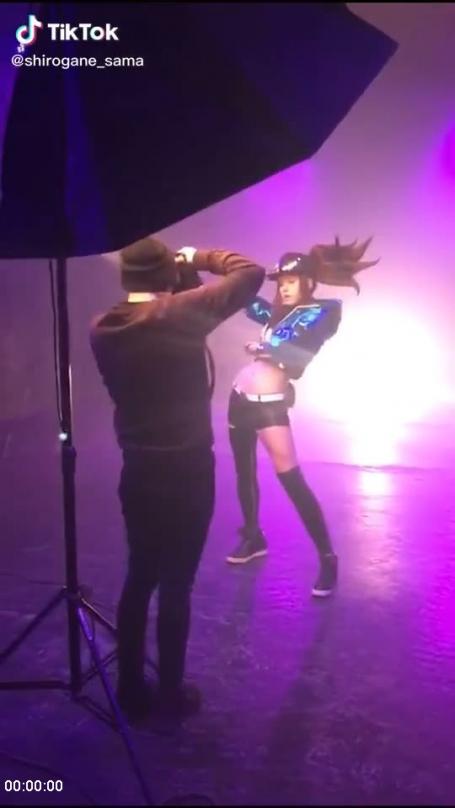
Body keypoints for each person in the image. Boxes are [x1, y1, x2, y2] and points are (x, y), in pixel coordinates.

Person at [90, 236, 265, 720]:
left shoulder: (102, 327)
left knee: (139, 576)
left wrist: (178, 275)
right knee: (177, 584)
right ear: (166, 273)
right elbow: (251, 272)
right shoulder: (183, 313)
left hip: (138, 468)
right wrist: (200, 258)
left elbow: (163, 317)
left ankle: (130, 690)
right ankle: (170, 694)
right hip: (187, 469)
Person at [226, 237, 378, 597]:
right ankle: (253, 536)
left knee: (291, 480)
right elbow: (246, 301)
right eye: (281, 282)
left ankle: (327, 558)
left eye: (291, 281)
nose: (284, 288)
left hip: (269, 403)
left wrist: (266, 347)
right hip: (239, 397)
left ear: (308, 282)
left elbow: (300, 350)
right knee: (244, 472)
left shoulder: (324, 312)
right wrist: (214, 277)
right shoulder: (277, 313)